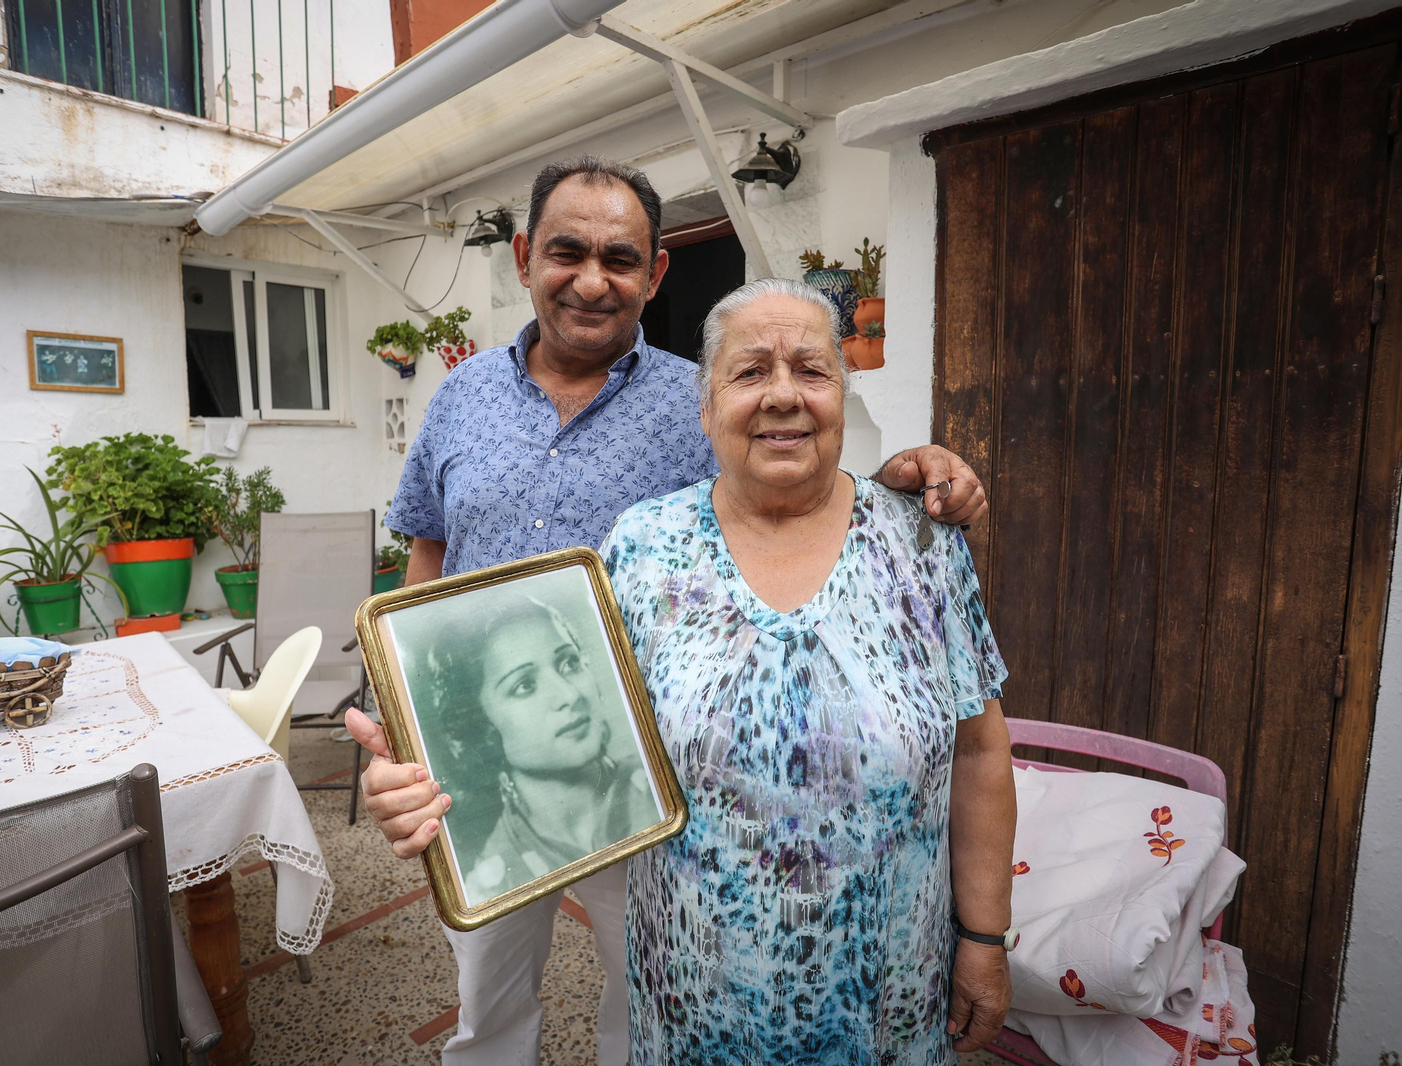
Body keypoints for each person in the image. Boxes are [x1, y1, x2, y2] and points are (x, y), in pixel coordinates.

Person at [346, 154, 990, 1066]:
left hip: (644, 773)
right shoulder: (459, 396)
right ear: (525, 257)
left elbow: (786, 482)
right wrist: (408, 710)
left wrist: (902, 484)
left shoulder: (700, 397)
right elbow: (428, 554)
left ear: (655, 274)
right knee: (487, 1005)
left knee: (646, 986)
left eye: (620, 259)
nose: (592, 280)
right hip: (490, 758)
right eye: (568, 252)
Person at [599, 278, 1018, 1063]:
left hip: (888, 1001)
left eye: (813, 370)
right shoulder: (642, 548)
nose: (784, 395)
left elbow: (980, 751)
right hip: (697, 1006)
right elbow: (581, 754)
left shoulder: (920, 542)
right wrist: (442, 795)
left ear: (842, 395)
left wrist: (985, 938)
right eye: (751, 371)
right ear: (706, 406)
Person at [398, 593, 661, 905]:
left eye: (569, 663)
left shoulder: (659, 792)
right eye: (524, 685)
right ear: (480, 723)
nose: (569, 695)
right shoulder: (489, 881)